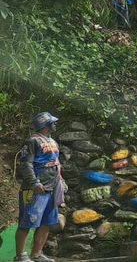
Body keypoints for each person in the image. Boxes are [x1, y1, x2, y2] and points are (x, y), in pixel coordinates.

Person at [15, 112, 64, 262]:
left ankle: (36, 254)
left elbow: (56, 163)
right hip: (35, 189)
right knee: (27, 221)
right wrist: (34, 182)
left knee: (47, 222)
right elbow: (26, 163)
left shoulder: (53, 142)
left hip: (52, 188)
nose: (55, 124)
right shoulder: (32, 141)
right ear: (45, 124)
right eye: (52, 122)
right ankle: (21, 256)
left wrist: (61, 181)